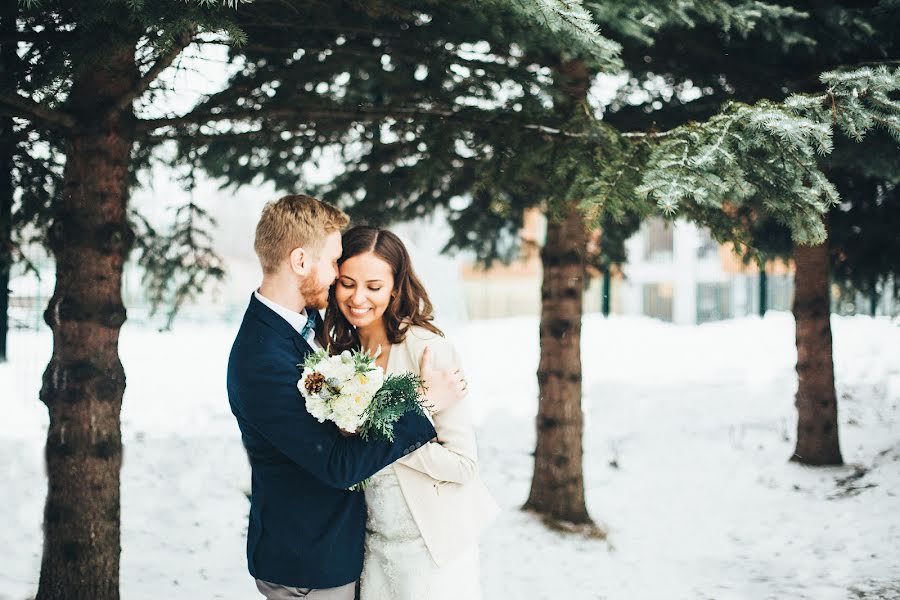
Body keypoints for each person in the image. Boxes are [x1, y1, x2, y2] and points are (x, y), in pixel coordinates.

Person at [227, 195, 467, 600]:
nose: (340, 275)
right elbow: (338, 464)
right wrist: (421, 405)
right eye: (335, 261)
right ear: (301, 261)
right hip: (308, 561)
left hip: (351, 550)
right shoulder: (263, 359)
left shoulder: (309, 329)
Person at [325, 225, 499, 600]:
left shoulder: (429, 351)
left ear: (395, 287)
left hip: (432, 549)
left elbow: (463, 466)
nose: (358, 297)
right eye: (347, 282)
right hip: (372, 547)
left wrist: (390, 429)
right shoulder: (337, 359)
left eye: (373, 286)